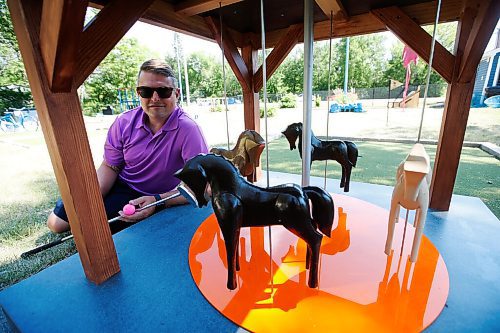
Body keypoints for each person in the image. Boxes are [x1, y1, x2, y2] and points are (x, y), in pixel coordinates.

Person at [47, 59, 208, 233]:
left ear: (176, 93)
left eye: (163, 91)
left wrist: (157, 201)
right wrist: (91, 200)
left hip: (161, 195)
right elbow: (110, 166)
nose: (155, 98)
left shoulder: (189, 130)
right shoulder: (123, 122)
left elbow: (201, 186)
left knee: (103, 231)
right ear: (138, 93)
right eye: (146, 91)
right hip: (124, 186)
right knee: (57, 224)